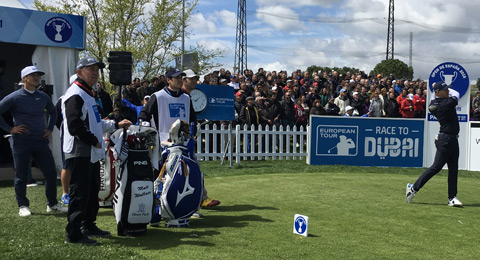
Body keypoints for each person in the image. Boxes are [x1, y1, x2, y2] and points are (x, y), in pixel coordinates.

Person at [63, 57, 131, 245]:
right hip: (80, 150)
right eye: (90, 69)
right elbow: (74, 126)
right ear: (79, 72)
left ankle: (88, 225)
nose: (95, 72)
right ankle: (74, 233)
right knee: (80, 192)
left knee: (92, 191)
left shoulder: (88, 94)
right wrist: (94, 141)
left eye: (96, 69)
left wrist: (116, 124)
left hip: (90, 151)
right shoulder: (75, 93)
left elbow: (96, 123)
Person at [0, 65, 67, 217]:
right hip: (21, 141)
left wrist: (50, 128)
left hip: (40, 141)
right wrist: (10, 129)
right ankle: (22, 205)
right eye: (33, 75)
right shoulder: (14, 97)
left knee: (50, 173)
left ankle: (52, 204)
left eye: (38, 75)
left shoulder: (43, 96)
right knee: (21, 175)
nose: (37, 78)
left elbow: (54, 111)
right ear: (24, 79)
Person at [406, 82, 462, 207]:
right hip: (445, 140)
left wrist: (435, 89)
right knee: (436, 167)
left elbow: (435, 97)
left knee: (453, 170)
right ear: (437, 92)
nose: (448, 91)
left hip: (452, 139)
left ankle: (452, 198)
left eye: (447, 89)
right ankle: (413, 188)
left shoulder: (434, 103)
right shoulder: (446, 104)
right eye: (445, 89)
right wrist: (439, 88)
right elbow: (456, 93)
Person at [180, 69, 220, 208]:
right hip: (177, 139)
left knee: (193, 168)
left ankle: (201, 198)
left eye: (195, 78)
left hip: (186, 138)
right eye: (191, 79)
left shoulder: (187, 96)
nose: (194, 81)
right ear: (184, 80)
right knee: (191, 168)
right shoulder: (181, 96)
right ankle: (199, 199)